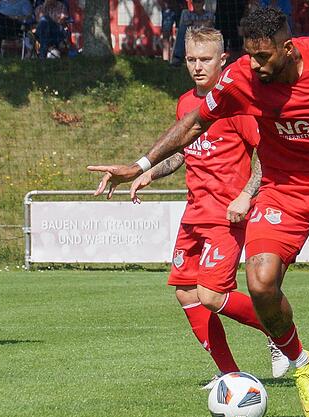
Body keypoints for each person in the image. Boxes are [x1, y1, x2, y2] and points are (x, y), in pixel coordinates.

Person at [87, 7, 309, 417]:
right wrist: (139, 163)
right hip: (282, 190)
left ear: (287, 49)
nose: (254, 64)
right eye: (249, 55)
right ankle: (300, 360)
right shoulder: (240, 78)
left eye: (263, 57)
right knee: (260, 283)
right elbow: (193, 124)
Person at [118, 27, 289, 386]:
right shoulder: (185, 103)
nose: (197, 67)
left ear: (222, 60)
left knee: (212, 294)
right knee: (186, 292)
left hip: (226, 216)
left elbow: (268, 152)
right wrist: (152, 172)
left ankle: (278, 332)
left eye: (205, 59)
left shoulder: (237, 104)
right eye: (191, 59)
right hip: (193, 213)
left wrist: (246, 194)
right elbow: (181, 150)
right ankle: (229, 374)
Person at [170, 0, 215, 66]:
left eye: (199, 2)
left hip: (205, 36)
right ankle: (177, 59)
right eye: (195, 2)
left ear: (203, 3)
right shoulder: (186, 13)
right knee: (183, 30)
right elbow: (187, 24)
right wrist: (202, 23)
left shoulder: (209, 14)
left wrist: (193, 23)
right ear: (192, 3)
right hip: (190, 36)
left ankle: (177, 58)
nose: (197, 4)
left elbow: (209, 24)